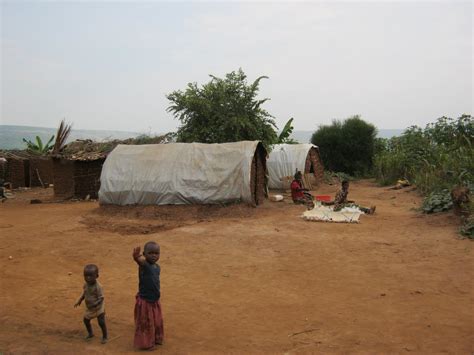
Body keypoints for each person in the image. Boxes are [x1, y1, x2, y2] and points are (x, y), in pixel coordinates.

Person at [133, 241, 164, 349]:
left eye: (156, 253)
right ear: (144, 254)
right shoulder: (145, 265)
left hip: (155, 299)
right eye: (150, 253)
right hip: (146, 301)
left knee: (155, 321)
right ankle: (146, 344)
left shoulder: (157, 267)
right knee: (146, 323)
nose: (154, 255)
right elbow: (140, 262)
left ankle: (156, 338)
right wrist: (136, 257)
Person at [74, 264, 108, 343]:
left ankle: (105, 336)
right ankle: (90, 333)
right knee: (86, 320)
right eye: (86, 276)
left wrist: (95, 304)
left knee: (101, 322)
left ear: (97, 276)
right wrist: (79, 300)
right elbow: (84, 293)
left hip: (99, 308)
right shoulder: (86, 285)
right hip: (90, 308)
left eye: (90, 276)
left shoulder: (98, 287)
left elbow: (101, 298)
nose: (88, 278)